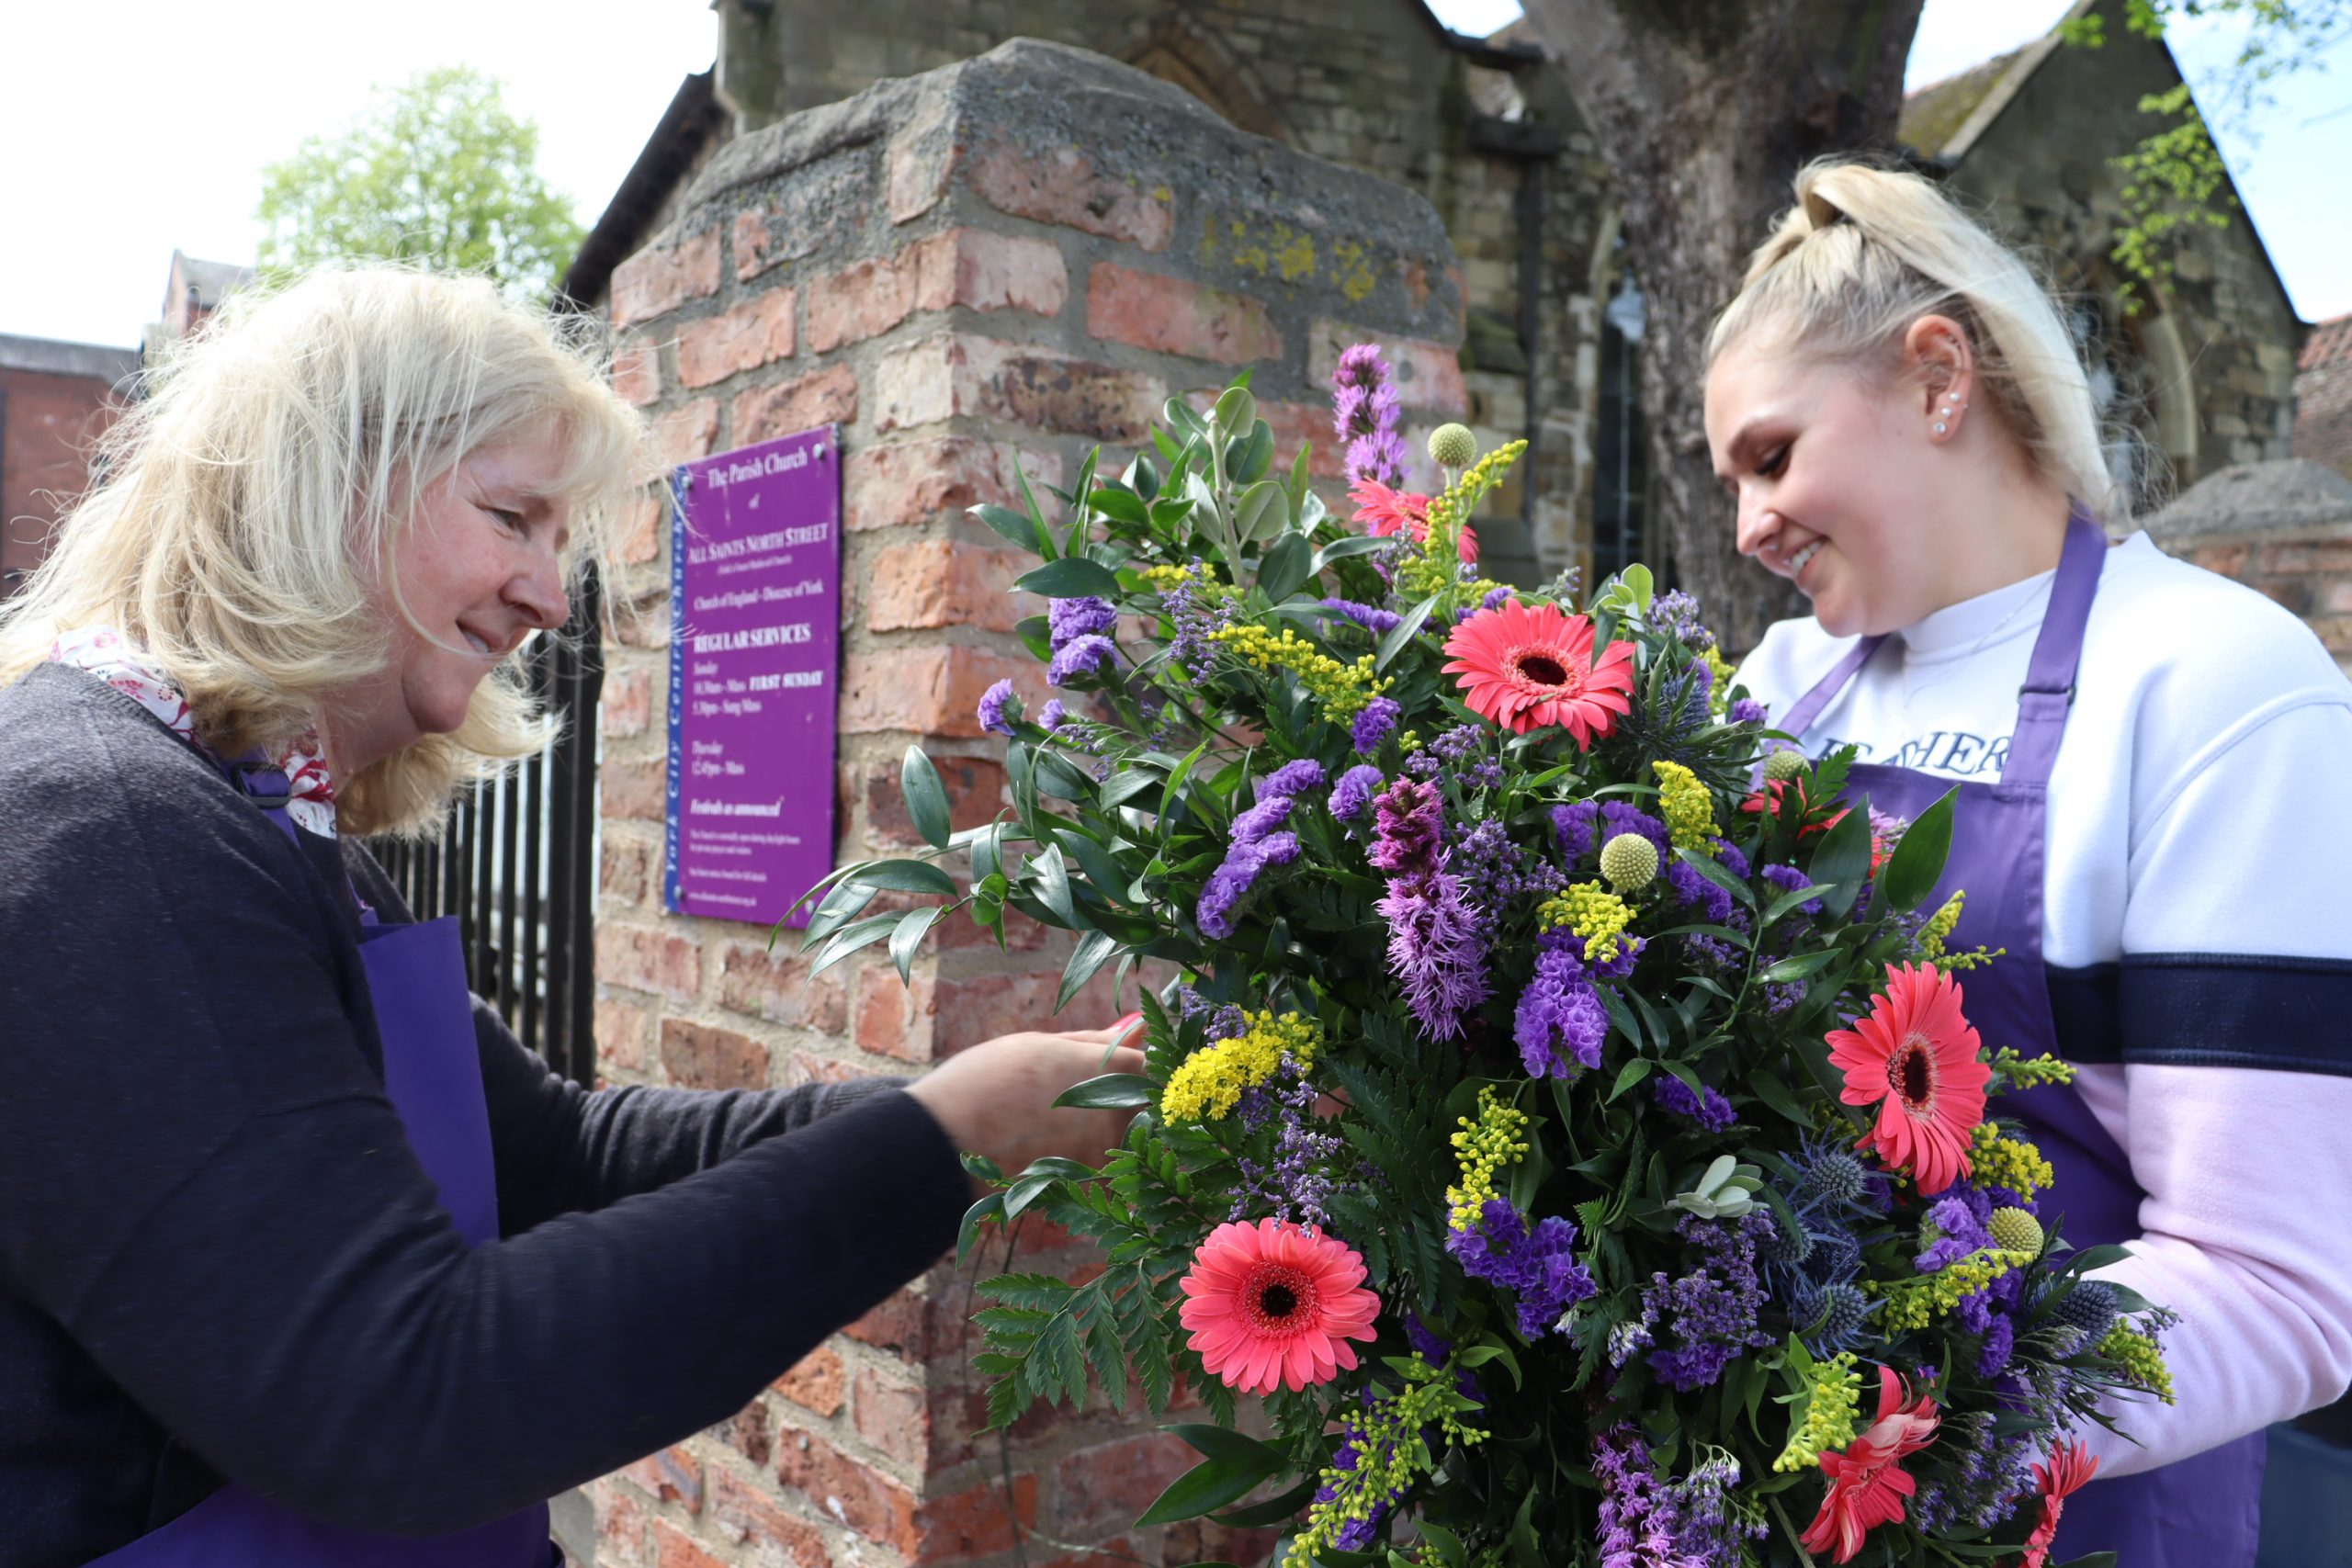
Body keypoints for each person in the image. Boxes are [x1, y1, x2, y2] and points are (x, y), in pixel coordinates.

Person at [0, 267, 1142, 1567]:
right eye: (511, 518)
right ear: (326, 485)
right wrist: (937, 1148)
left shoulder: (248, 811)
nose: (550, 596)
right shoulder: (107, 835)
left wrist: (968, 1110)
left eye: (560, 540)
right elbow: (403, 1401)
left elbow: (551, 1159)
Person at [1711, 158, 2352, 1567]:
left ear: (1938, 376)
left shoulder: (2213, 684)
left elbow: (2277, 1289)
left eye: (1772, 456)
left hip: (2081, 1521)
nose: (1747, 523)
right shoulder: (1773, 686)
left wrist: (1891, 1435)